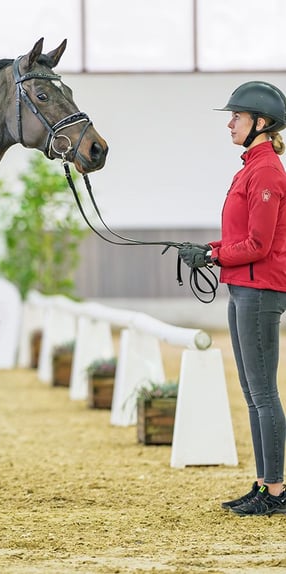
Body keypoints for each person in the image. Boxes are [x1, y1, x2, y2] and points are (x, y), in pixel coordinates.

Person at [179, 80, 286, 516]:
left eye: (236, 117)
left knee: (263, 393)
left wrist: (211, 255)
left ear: (260, 123)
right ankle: (264, 484)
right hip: (243, 288)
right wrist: (211, 251)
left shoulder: (265, 172)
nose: (230, 124)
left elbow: (259, 245)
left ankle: (277, 491)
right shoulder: (250, 168)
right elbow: (242, 238)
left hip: (260, 291)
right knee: (251, 391)